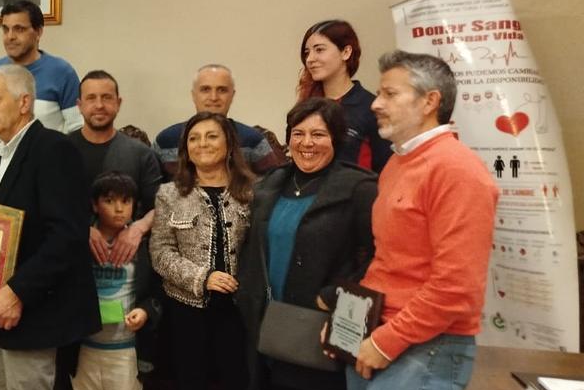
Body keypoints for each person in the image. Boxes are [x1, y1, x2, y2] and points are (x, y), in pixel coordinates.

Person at [343, 51, 497, 390]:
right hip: (377, 336)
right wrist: (349, 326)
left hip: (424, 347)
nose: (375, 102)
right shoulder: (399, 162)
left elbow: (457, 289)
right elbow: (387, 263)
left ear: (430, 101)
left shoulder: (457, 171)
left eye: (390, 93)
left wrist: (385, 342)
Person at [236, 98, 377, 390]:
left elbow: (382, 257)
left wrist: (333, 296)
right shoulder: (270, 185)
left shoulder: (359, 187)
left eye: (318, 134)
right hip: (278, 334)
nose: (307, 143)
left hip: (326, 336)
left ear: (335, 138)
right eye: (298, 134)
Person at [0, 64, 99, 390]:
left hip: (32, 307)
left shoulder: (51, 149)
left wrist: (17, 291)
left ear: (24, 102)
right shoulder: (1, 155)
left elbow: (66, 235)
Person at [149, 111, 273, 390]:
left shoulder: (254, 192)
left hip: (239, 313)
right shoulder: (170, 193)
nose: (202, 144)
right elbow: (161, 253)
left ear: (229, 144)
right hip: (187, 309)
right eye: (194, 139)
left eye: (211, 137)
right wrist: (202, 278)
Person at [69, 172, 162, 390]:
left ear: (136, 205)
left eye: (125, 201)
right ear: (95, 205)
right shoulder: (80, 243)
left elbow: (155, 293)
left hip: (125, 348)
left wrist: (145, 311)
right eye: (109, 201)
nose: (118, 209)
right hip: (86, 346)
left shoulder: (142, 247)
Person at [68, 70, 161, 267]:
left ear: (118, 103)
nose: (99, 105)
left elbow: (160, 207)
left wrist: (138, 228)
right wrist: (82, 228)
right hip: (72, 266)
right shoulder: (61, 150)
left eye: (107, 98)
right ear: (79, 105)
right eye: (91, 98)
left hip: (127, 269)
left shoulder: (141, 154)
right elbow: (47, 206)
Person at [0, 0, 83, 145]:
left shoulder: (62, 72)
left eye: (19, 29)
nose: (10, 36)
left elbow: (78, 129)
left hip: (46, 157)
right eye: (5, 29)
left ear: (38, 32)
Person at [155, 64, 285, 176]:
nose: (213, 97)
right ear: (194, 95)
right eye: (205, 89)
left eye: (222, 90)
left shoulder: (253, 141)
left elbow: (273, 192)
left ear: (232, 95)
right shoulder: (165, 141)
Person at [296, 20, 391, 173]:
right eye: (307, 53)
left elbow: (386, 168)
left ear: (346, 52)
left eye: (319, 50)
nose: (310, 59)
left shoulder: (372, 108)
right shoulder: (306, 106)